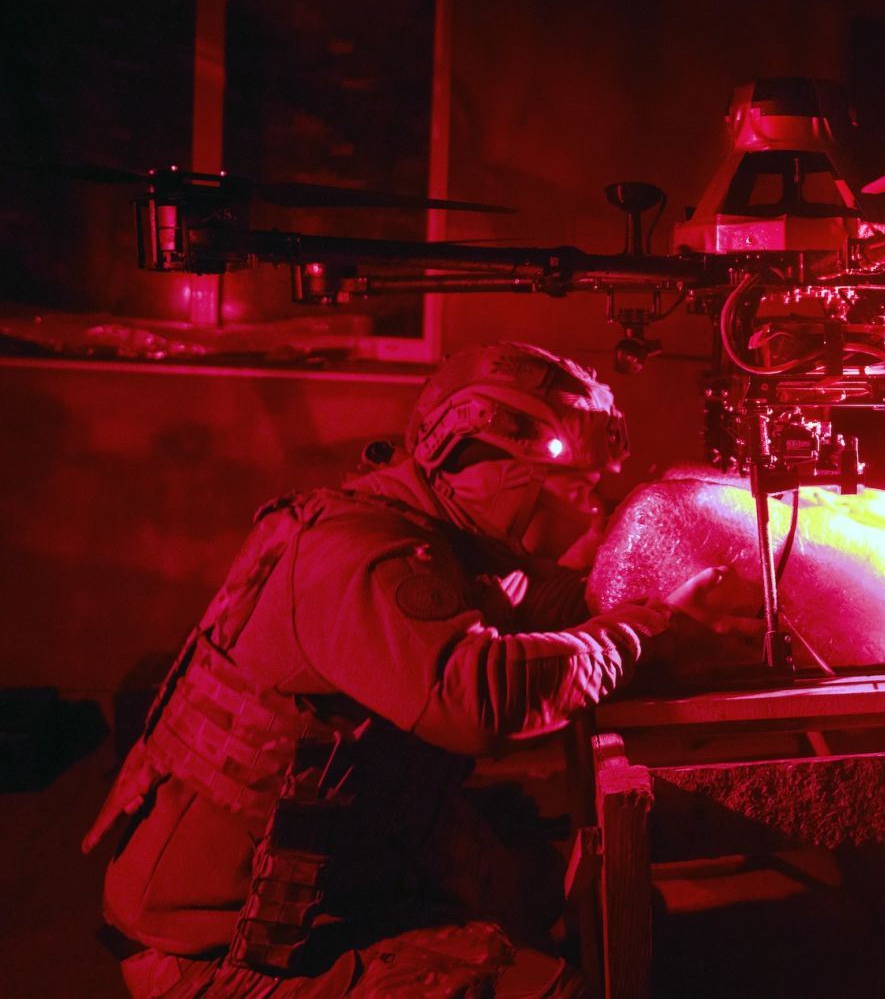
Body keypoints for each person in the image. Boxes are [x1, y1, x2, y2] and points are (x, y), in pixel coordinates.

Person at [83, 342, 749, 998]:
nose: (585, 509)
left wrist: (657, 597)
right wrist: (639, 629)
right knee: (547, 987)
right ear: (473, 458)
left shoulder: (434, 536)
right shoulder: (365, 556)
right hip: (220, 950)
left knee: (536, 883)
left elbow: (537, 599)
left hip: (309, 884)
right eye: (565, 486)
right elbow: (480, 697)